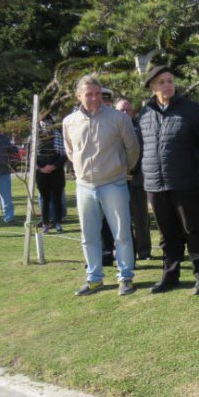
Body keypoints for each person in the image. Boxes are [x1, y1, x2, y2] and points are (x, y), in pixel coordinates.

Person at [137, 65, 199, 295]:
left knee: (194, 232)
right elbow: (141, 147)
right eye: (162, 82)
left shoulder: (191, 110)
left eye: (170, 80)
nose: (167, 85)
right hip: (155, 185)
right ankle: (170, 275)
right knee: (167, 234)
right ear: (152, 86)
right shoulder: (144, 114)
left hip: (186, 183)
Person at [62, 75, 140, 296]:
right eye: (89, 94)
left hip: (114, 183)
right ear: (79, 96)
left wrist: (122, 168)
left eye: (97, 93)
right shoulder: (69, 122)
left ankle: (125, 277)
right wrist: (81, 172)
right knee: (89, 236)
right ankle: (94, 278)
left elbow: (132, 148)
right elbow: (71, 151)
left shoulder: (118, 118)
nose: (94, 98)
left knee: (122, 234)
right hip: (84, 186)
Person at [115, 99, 152, 260]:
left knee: (140, 218)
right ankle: (126, 251)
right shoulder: (112, 127)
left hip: (138, 179)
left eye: (127, 110)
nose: (124, 113)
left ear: (132, 112)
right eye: (121, 111)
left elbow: (145, 151)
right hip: (117, 178)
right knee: (121, 219)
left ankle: (144, 251)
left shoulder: (141, 128)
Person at [33, 115, 67, 234]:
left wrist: (54, 166)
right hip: (41, 173)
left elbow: (64, 154)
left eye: (47, 121)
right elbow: (30, 156)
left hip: (56, 172)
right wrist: (40, 168)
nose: (45, 124)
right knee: (44, 198)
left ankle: (57, 223)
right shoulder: (34, 136)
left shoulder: (59, 134)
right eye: (43, 122)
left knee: (57, 198)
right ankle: (45, 224)